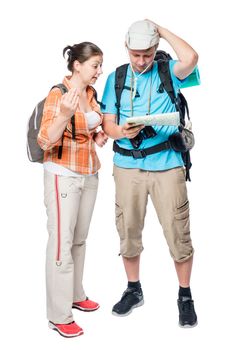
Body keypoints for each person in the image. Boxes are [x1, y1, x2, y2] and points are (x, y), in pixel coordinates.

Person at [101, 20, 199, 327]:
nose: (141, 61)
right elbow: (108, 125)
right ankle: (134, 289)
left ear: (155, 49)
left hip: (168, 164)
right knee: (128, 230)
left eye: (147, 54)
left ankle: (185, 295)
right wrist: (123, 132)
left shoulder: (169, 71)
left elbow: (192, 58)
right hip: (127, 166)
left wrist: (161, 29)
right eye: (136, 54)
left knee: (177, 231)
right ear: (127, 49)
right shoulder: (116, 77)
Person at [37, 42, 108, 338]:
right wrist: (65, 115)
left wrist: (98, 134)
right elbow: (45, 140)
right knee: (61, 245)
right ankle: (58, 314)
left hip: (89, 173)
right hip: (62, 175)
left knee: (79, 241)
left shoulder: (90, 93)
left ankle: (76, 295)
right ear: (77, 65)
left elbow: (88, 126)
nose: (99, 71)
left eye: (101, 65)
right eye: (95, 66)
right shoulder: (59, 94)